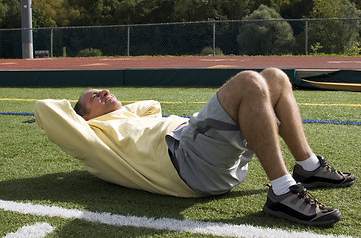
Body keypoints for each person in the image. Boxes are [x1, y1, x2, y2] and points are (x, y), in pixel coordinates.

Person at [35, 68, 355, 227]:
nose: (103, 91)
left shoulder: (130, 116)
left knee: (275, 77)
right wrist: (79, 114)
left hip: (201, 153)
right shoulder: (92, 136)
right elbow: (44, 108)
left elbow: (150, 106)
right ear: (83, 116)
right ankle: (283, 192)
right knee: (248, 82)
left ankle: (309, 167)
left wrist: (113, 106)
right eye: (94, 97)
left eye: (103, 90)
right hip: (186, 161)